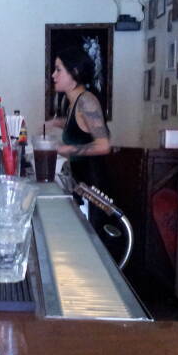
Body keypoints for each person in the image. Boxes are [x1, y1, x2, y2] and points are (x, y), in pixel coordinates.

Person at [49, 46, 111, 233]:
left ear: (74, 72)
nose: (54, 75)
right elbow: (78, 126)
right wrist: (55, 123)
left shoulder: (87, 101)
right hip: (81, 184)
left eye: (59, 69)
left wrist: (66, 149)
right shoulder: (72, 103)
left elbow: (104, 145)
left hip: (93, 187)